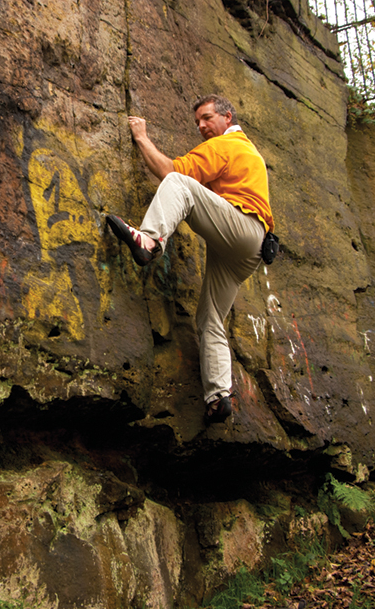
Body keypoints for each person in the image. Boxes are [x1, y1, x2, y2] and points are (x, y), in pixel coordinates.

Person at [107, 94, 274, 424]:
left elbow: (171, 172)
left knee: (177, 184)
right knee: (210, 317)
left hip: (243, 229)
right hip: (248, 250)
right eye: (197, 121)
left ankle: (150, 240)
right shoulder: (248, 151)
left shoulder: (229, 145)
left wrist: (141, 137)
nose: (201, 126)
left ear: (228, 118)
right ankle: (219, 396)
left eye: (207, 118)